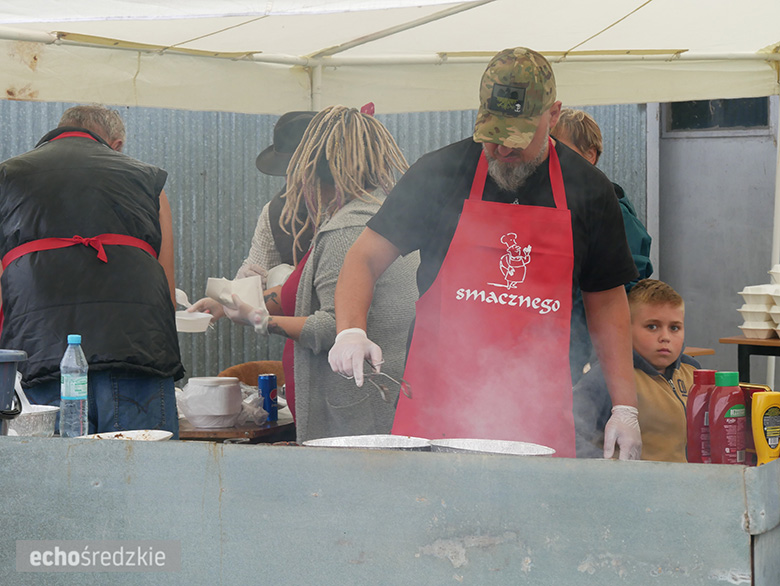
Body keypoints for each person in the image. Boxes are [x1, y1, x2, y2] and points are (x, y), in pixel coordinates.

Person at [328, 47, 642, 459]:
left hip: (536, 410)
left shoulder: (589, 190)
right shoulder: (439, 174)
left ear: (553, 115)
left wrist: (625, 407)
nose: (503, 151)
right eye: (494, 136)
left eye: (517, 139)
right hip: (436, 402)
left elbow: (606, 301)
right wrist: (351, 330)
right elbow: (364, 258)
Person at [216, 105, 419, 443]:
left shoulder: (347, 229)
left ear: (312, 173)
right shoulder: (385, 214)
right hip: (383, 396)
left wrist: (258, 320)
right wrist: (224, 302)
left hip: (360, 410)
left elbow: (330, 326)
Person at [0, 104, 183, 437]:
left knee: (55, 485)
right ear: (116, 145)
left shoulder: (7, 176)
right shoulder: (148, 180)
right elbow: (167, 290)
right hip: (139, 355)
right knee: (147, 482)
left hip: (42, 358)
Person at [552, 108, 654, 382]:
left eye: (561, 149)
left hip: (588, 339)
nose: (553, 160)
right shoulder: (556, 204)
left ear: (590, 155)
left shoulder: (612, 209)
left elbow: (631, 277)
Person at [189, 111, 317, 321]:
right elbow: (258, 265)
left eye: (297, 170)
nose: (290, 179)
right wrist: (223, 301)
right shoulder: (275, 212)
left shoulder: (350, 211)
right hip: (300, 334)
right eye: (286, 171)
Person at [573, 279, 699, 461]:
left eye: (674, 328)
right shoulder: (606, 377)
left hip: (691, 484)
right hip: (633, 487)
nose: (665, 337)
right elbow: (568, 430)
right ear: (626, 330)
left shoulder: (693, 371)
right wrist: (601, 469)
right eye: (652, 327)